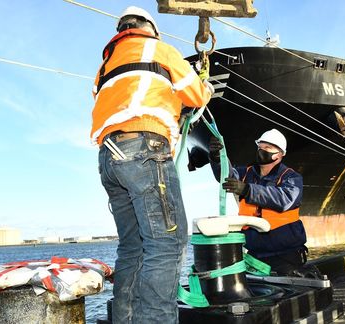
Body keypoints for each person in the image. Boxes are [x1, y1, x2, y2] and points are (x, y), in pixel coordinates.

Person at [90, 6, 213, 324]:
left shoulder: (105, 67)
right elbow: (197, 96)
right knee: (167, 242)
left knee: (132, 247)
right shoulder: (160, 49)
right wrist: (206, 87)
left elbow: (130, 99)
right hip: (146, 151)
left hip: (109, 156)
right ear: (150, 29)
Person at [209, 129, 314, 277]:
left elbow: (284, 198)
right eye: (260, 147)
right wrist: (217, 158)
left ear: (280, 154)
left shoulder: (291, 178)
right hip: (255, 256)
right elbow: (226, 175)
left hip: (285, 255)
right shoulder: (245, 173)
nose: (262, 151)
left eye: (268, 148)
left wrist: (247, 190)